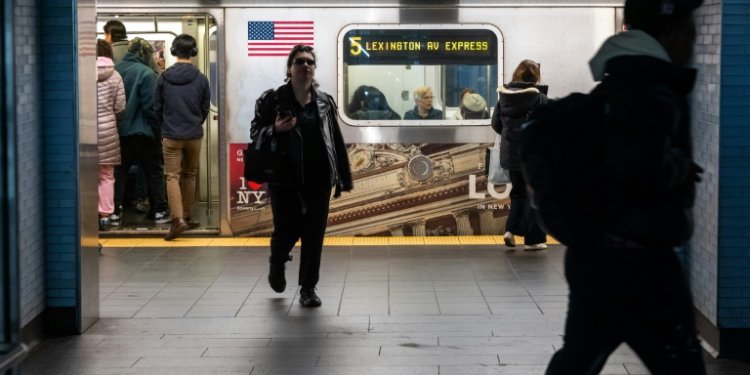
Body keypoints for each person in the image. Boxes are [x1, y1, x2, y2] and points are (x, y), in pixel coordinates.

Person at [545, 0, 707, 374]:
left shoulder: (622, 82)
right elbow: (634, 164)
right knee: (681, 361)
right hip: (639, 261)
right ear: (668, 34)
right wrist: (678, 167)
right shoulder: (649, 88)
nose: (693, 40)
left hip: (600, 253)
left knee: (578, 358)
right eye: (688, 29)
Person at [250, 44, 353, 307]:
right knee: (286, 230)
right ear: (290, 68)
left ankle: (308, 288)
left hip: (318, 178)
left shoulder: (324, 101)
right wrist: (274, 128)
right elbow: (255, 132)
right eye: (299, 62)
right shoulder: (272, 99)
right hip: (284, 178)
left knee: (314, 234)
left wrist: (342, 175)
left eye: (309, 62)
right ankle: (277, 260)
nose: (305, 66)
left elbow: (335, 140)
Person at [155, 34, 210, 240]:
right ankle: (185, 215)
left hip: (171, 135)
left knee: (172, 176)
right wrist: (195, 123)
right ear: (193, 52)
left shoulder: (163, 78)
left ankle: (177, 219)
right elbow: (205, 107)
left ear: (173, 52)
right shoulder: (201, 79)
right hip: (194, 135)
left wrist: (166, 126)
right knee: (190, 175)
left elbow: (157, 108)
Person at [491, 59, 548, 251]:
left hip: (510, 155)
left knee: (518, 193)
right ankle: (533, 240)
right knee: (532, 194)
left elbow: (496, 124)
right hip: (532, 154)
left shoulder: (503, 98)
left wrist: (510, 137)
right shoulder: (538, 98)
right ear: (535, 77)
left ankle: (510, 230)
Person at [113, 37, 171, 225]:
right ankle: (159, 210)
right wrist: (158, 132)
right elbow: (151, 107)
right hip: (143, 133)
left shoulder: (116, 70)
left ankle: (113, 211)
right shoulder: (147, 74)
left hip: (120, 132)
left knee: (119, 173)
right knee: (153, 171)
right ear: (145, 54)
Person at [96, 39, 126, 231]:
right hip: (108, 129)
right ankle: (105, 216)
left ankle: (86, 212)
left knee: (85, 174)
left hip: (84, 128)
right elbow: (120, 107)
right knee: (107, 174)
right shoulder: (115, 76)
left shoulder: (81, 73)